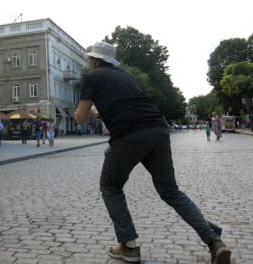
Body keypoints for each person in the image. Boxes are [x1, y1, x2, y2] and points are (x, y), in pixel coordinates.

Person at [74, 41, 230, 264]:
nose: (88, 62)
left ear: (95, 60)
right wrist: (101, 111)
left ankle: (129, 247)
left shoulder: (92, 76)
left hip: (130, 135)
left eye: (88, 59)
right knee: (170, 191)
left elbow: (79, 118)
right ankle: (214, 241)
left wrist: (88, 112)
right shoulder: (125, 75)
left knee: (110, 186)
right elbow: (128, 106)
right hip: (158, 130)